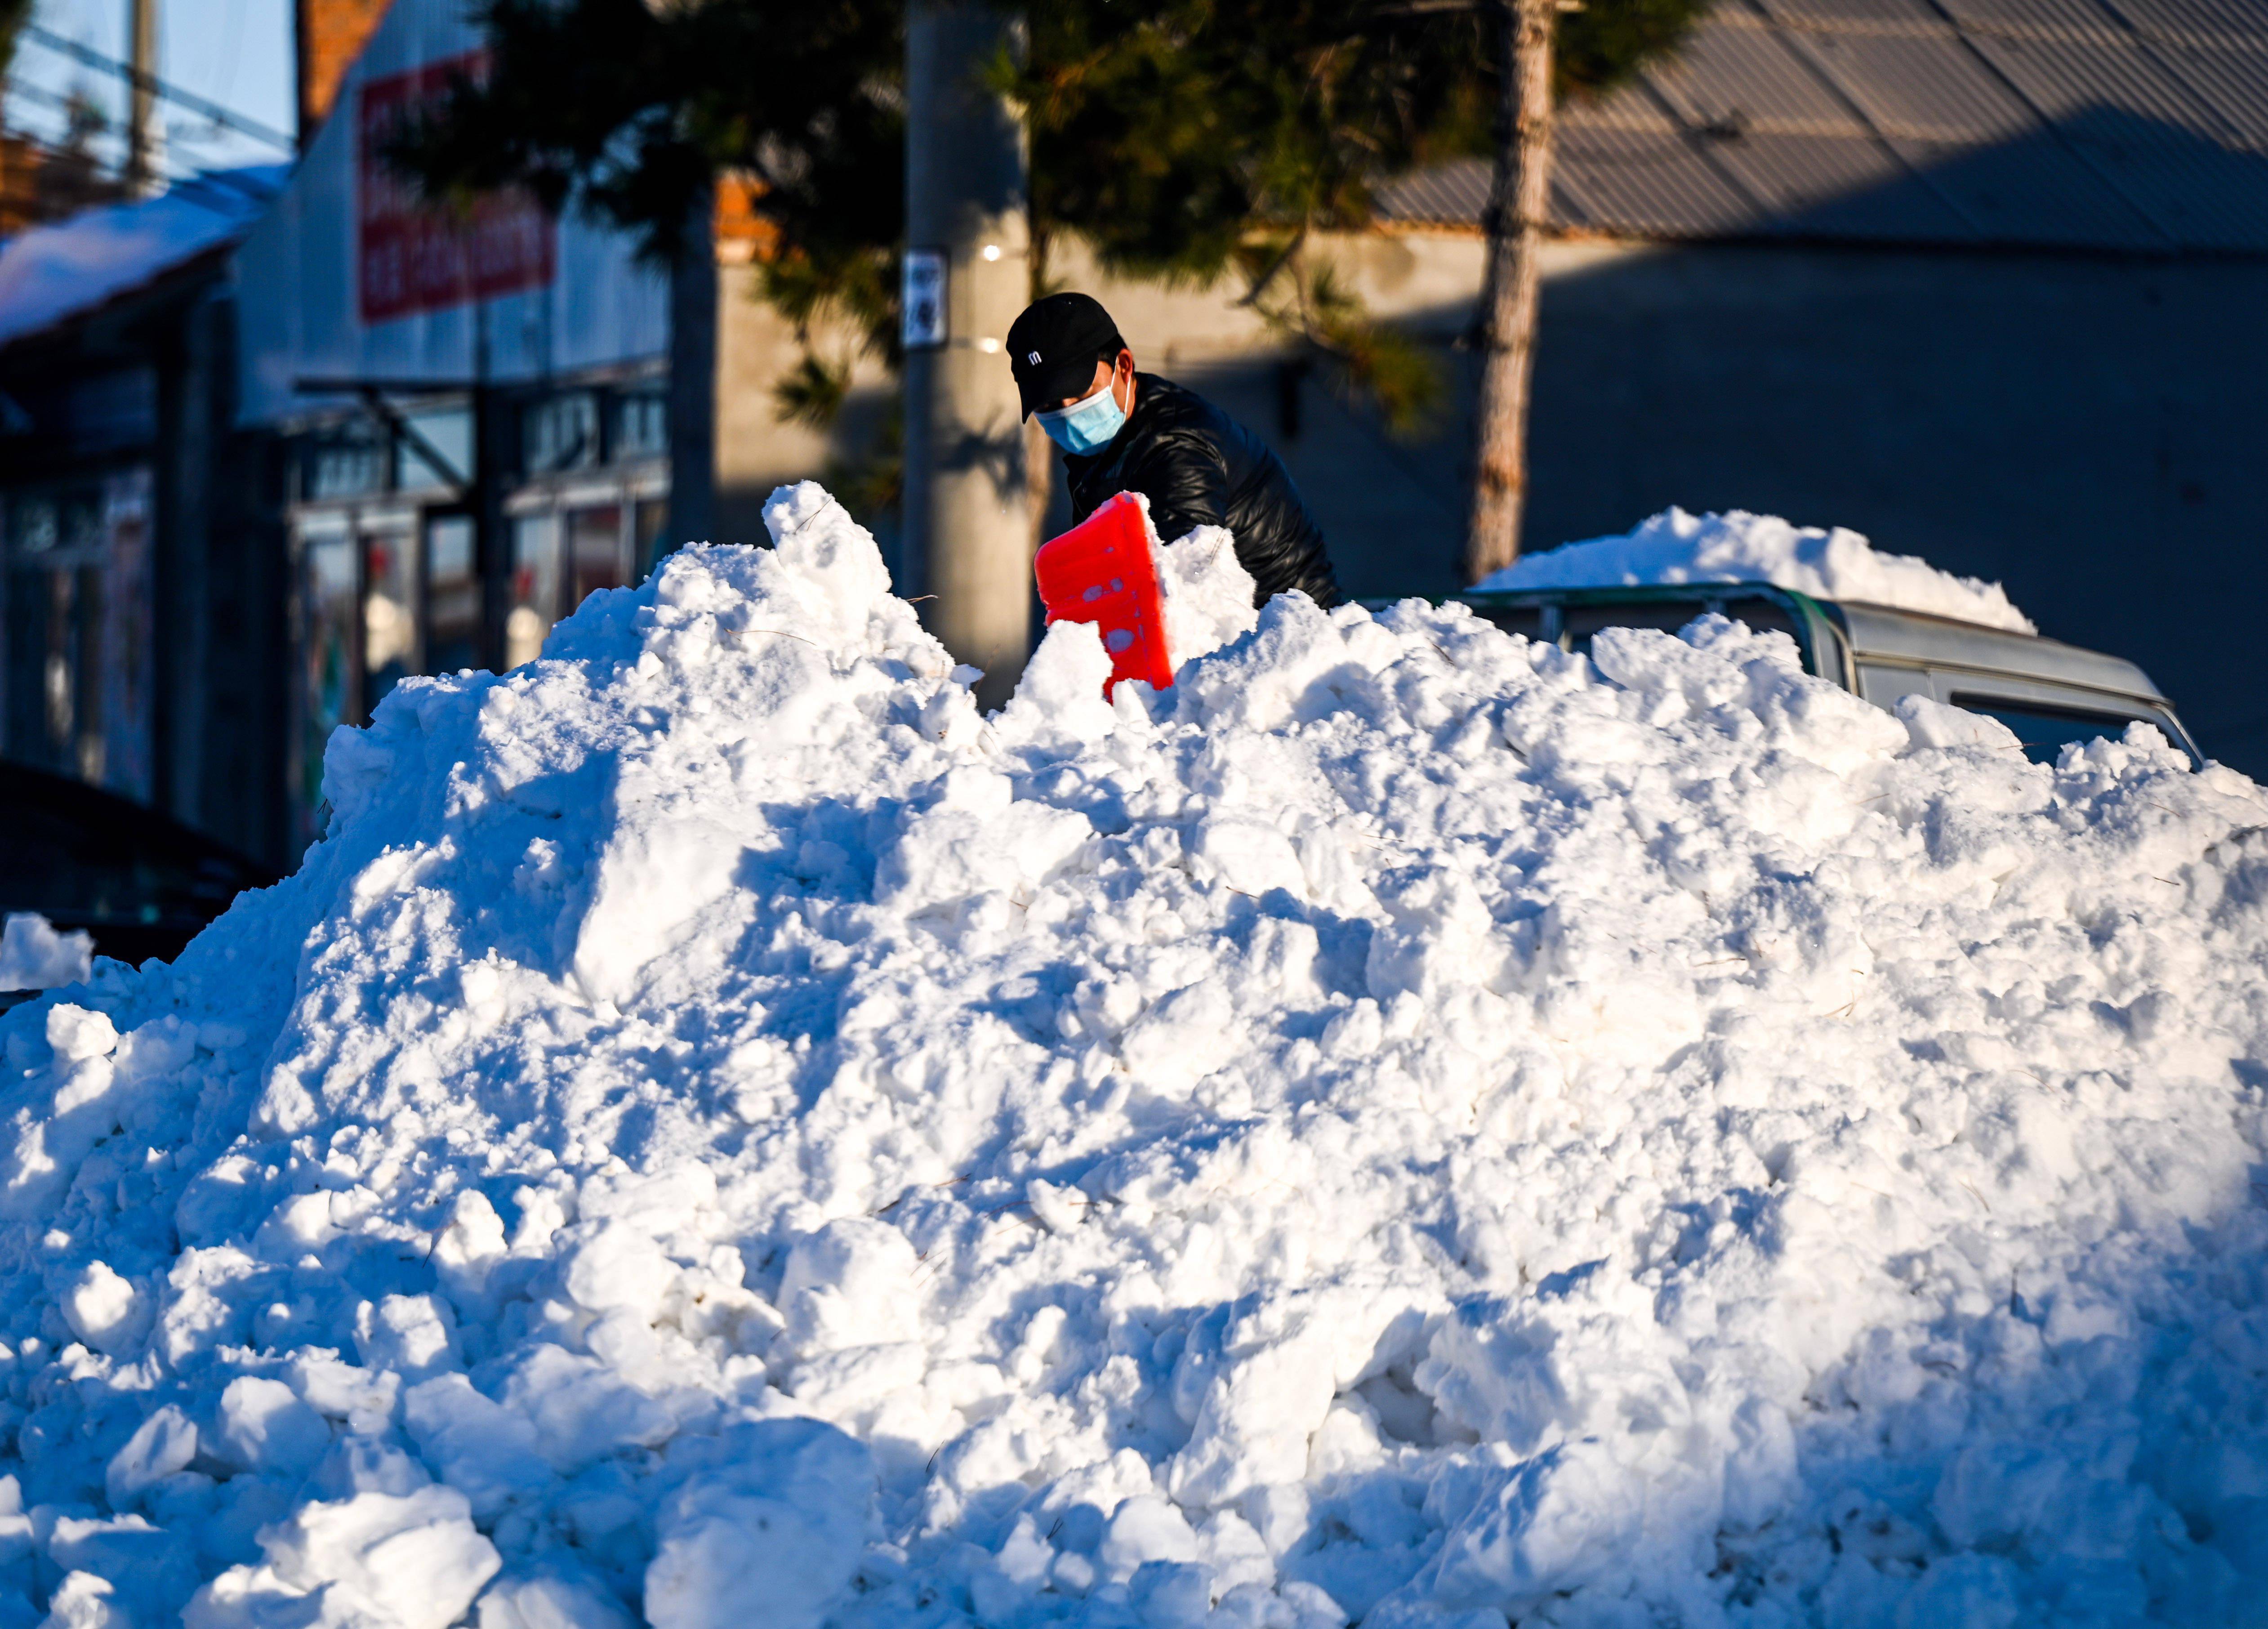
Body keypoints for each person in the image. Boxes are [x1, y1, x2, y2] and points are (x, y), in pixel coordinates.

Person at [1007, 292, 1342, 608]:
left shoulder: (1176, 450)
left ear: (1124, 366)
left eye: (1081, 394)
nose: (1067, 412)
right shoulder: (1113, 445)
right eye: (1049, 403)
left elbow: (1183, 588)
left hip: (1279, 639)